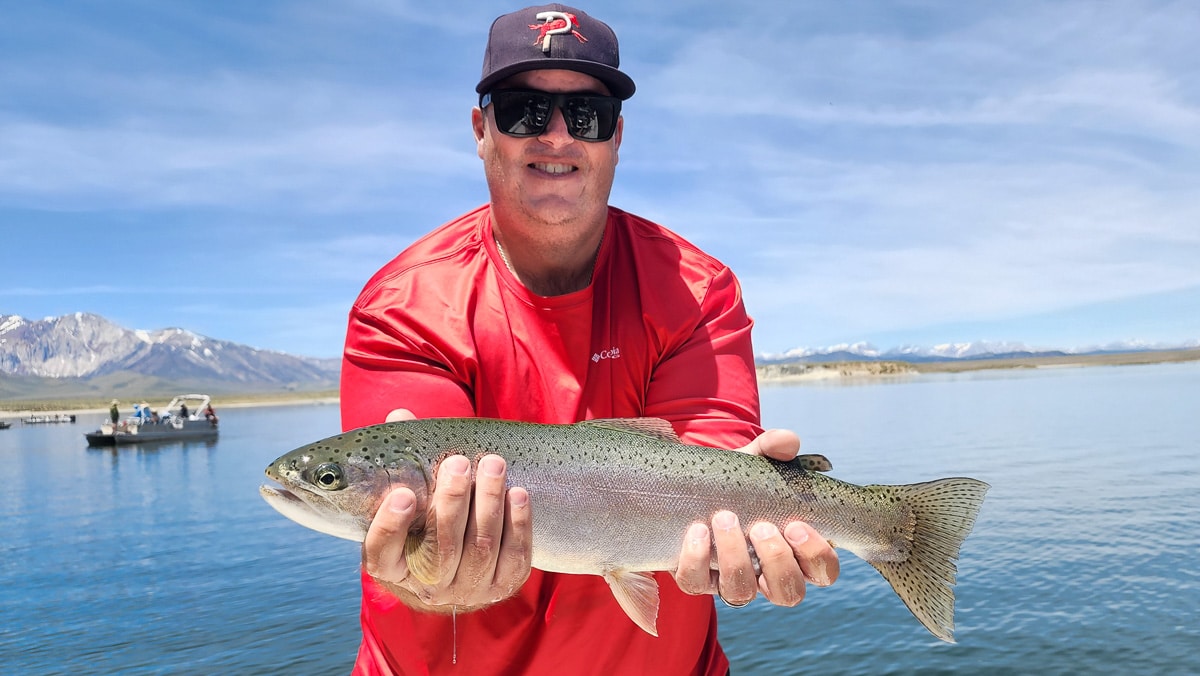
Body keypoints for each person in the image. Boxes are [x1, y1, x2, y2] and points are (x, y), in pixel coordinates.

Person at [340, 5, 839, 674]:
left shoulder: (697, 289)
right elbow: (413, 534)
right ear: (481, 130)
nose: (555, 137)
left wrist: (748, 526)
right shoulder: (401, 306)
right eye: (523, 110)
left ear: (617, 137)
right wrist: (426, 572)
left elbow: (710, 456)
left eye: (586, 117)